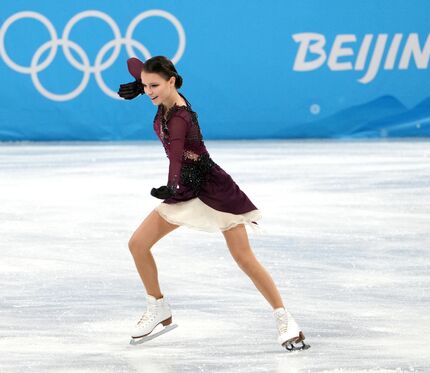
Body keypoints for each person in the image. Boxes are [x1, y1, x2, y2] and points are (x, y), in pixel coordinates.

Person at [117, 56, 309, 351]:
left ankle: (285, 318)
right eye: (146, 86)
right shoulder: (164, 97)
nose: (149, 91)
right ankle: (157, 306)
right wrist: (140, 86)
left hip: (212, 191)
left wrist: (171, 185)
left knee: (244, 257)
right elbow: (138, 67)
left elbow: (177, 154)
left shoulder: (180, 116)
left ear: (171, 81)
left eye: (154, 85)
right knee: (138, 244)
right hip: (185, 190)